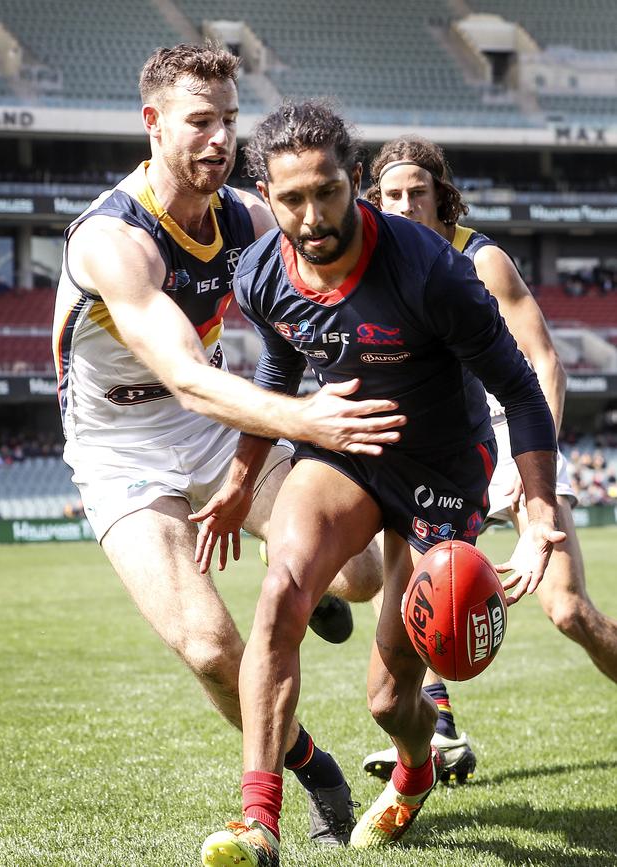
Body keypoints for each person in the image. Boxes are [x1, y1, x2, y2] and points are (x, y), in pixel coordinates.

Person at [51, 44, 404, 846]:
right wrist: (306, 417)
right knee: (212, 646)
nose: (220, 139)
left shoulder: (243, 215)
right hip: (121, 445)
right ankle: (308, 760)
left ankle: (307, 592)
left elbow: (339, 237)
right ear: (153, 124)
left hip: (210, 420)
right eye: (200, 121)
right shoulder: (115, 239)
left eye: (230, 121)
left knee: (360, 572)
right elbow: (184, 375)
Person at [197, 101, 564, 865]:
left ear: (354, 181)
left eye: (327, 191)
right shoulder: (263, 273)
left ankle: (415, 768)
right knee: (281, 591)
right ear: (265, 193)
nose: (311, 214)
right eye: (290, 198)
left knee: (391, 698)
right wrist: (239, 481)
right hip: (345, 449)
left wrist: (538, 509)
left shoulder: (432, 270)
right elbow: (278, 370)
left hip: (441, 467)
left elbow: (522, 390)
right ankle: (256, 821)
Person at [360, 135, 617, 788]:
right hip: (447, 457)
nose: (406, 204)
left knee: (569, 612)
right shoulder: (377, 266)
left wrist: (534, 478)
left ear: (441, 196)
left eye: (418, 191)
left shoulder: (483, 259)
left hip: (517, 444)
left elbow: (546, 364)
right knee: (419, 578)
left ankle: (437, 726)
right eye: (392, 194)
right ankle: (439, 727)